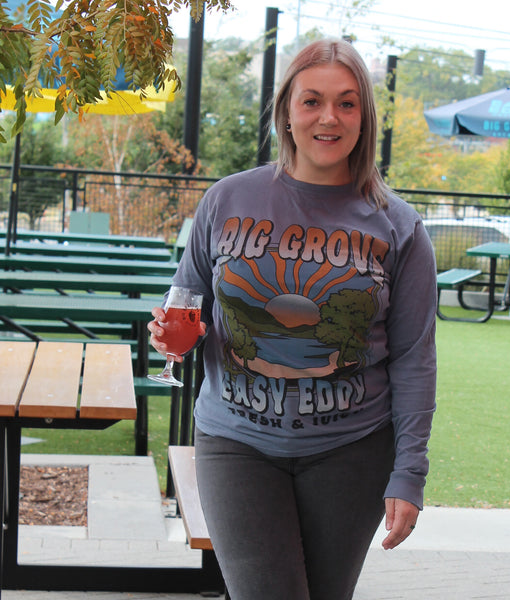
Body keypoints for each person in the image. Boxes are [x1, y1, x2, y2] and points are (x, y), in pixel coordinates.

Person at [148, 38, 437, 600]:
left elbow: (414, 361)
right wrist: (171, 337)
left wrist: (409, 472)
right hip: (236, 442)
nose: (329, 117)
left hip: (352, 451)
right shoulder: (226, 201)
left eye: (347, 103)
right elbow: (184, 301)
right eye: (312, 101)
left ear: (365, 118)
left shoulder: (400, 229)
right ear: (286, 111)